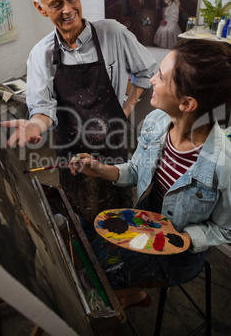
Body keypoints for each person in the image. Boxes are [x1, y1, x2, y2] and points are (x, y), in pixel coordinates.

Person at [69, 39, 231, 308]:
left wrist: (187, 238)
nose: (152, 79)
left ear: (187, 103)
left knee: (90, 281)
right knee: (86, 257)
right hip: (143, 224)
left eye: (162, 76)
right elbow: (135, 170)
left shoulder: (223, 165)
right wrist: (98, 169)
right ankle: (131, 295)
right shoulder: (156, 123)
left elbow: (226, 230)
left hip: (176, 255)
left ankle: (127, 296)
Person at [1, 0, 157, 232]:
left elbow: (146, 72)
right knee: (81, 219)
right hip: (72, 156)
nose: (68, 10)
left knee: (119, 217)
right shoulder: (41, 54)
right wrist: (35, 125)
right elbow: (43, 107)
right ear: (40, 8)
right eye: (56, 4)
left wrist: (127, 107)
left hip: (113, 149)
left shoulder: (113, 33)